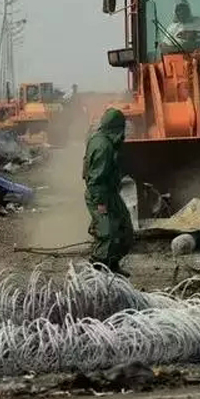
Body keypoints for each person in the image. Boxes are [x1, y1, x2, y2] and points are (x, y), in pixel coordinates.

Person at [83, 107, 134, 277]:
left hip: (109, 193)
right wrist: (101, 204)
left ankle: (112, 265)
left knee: (124, 228)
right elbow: (95, 180)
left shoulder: (102, 139)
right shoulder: (103, 146)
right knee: (107, 233)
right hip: (100, 195)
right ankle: (95, 271)